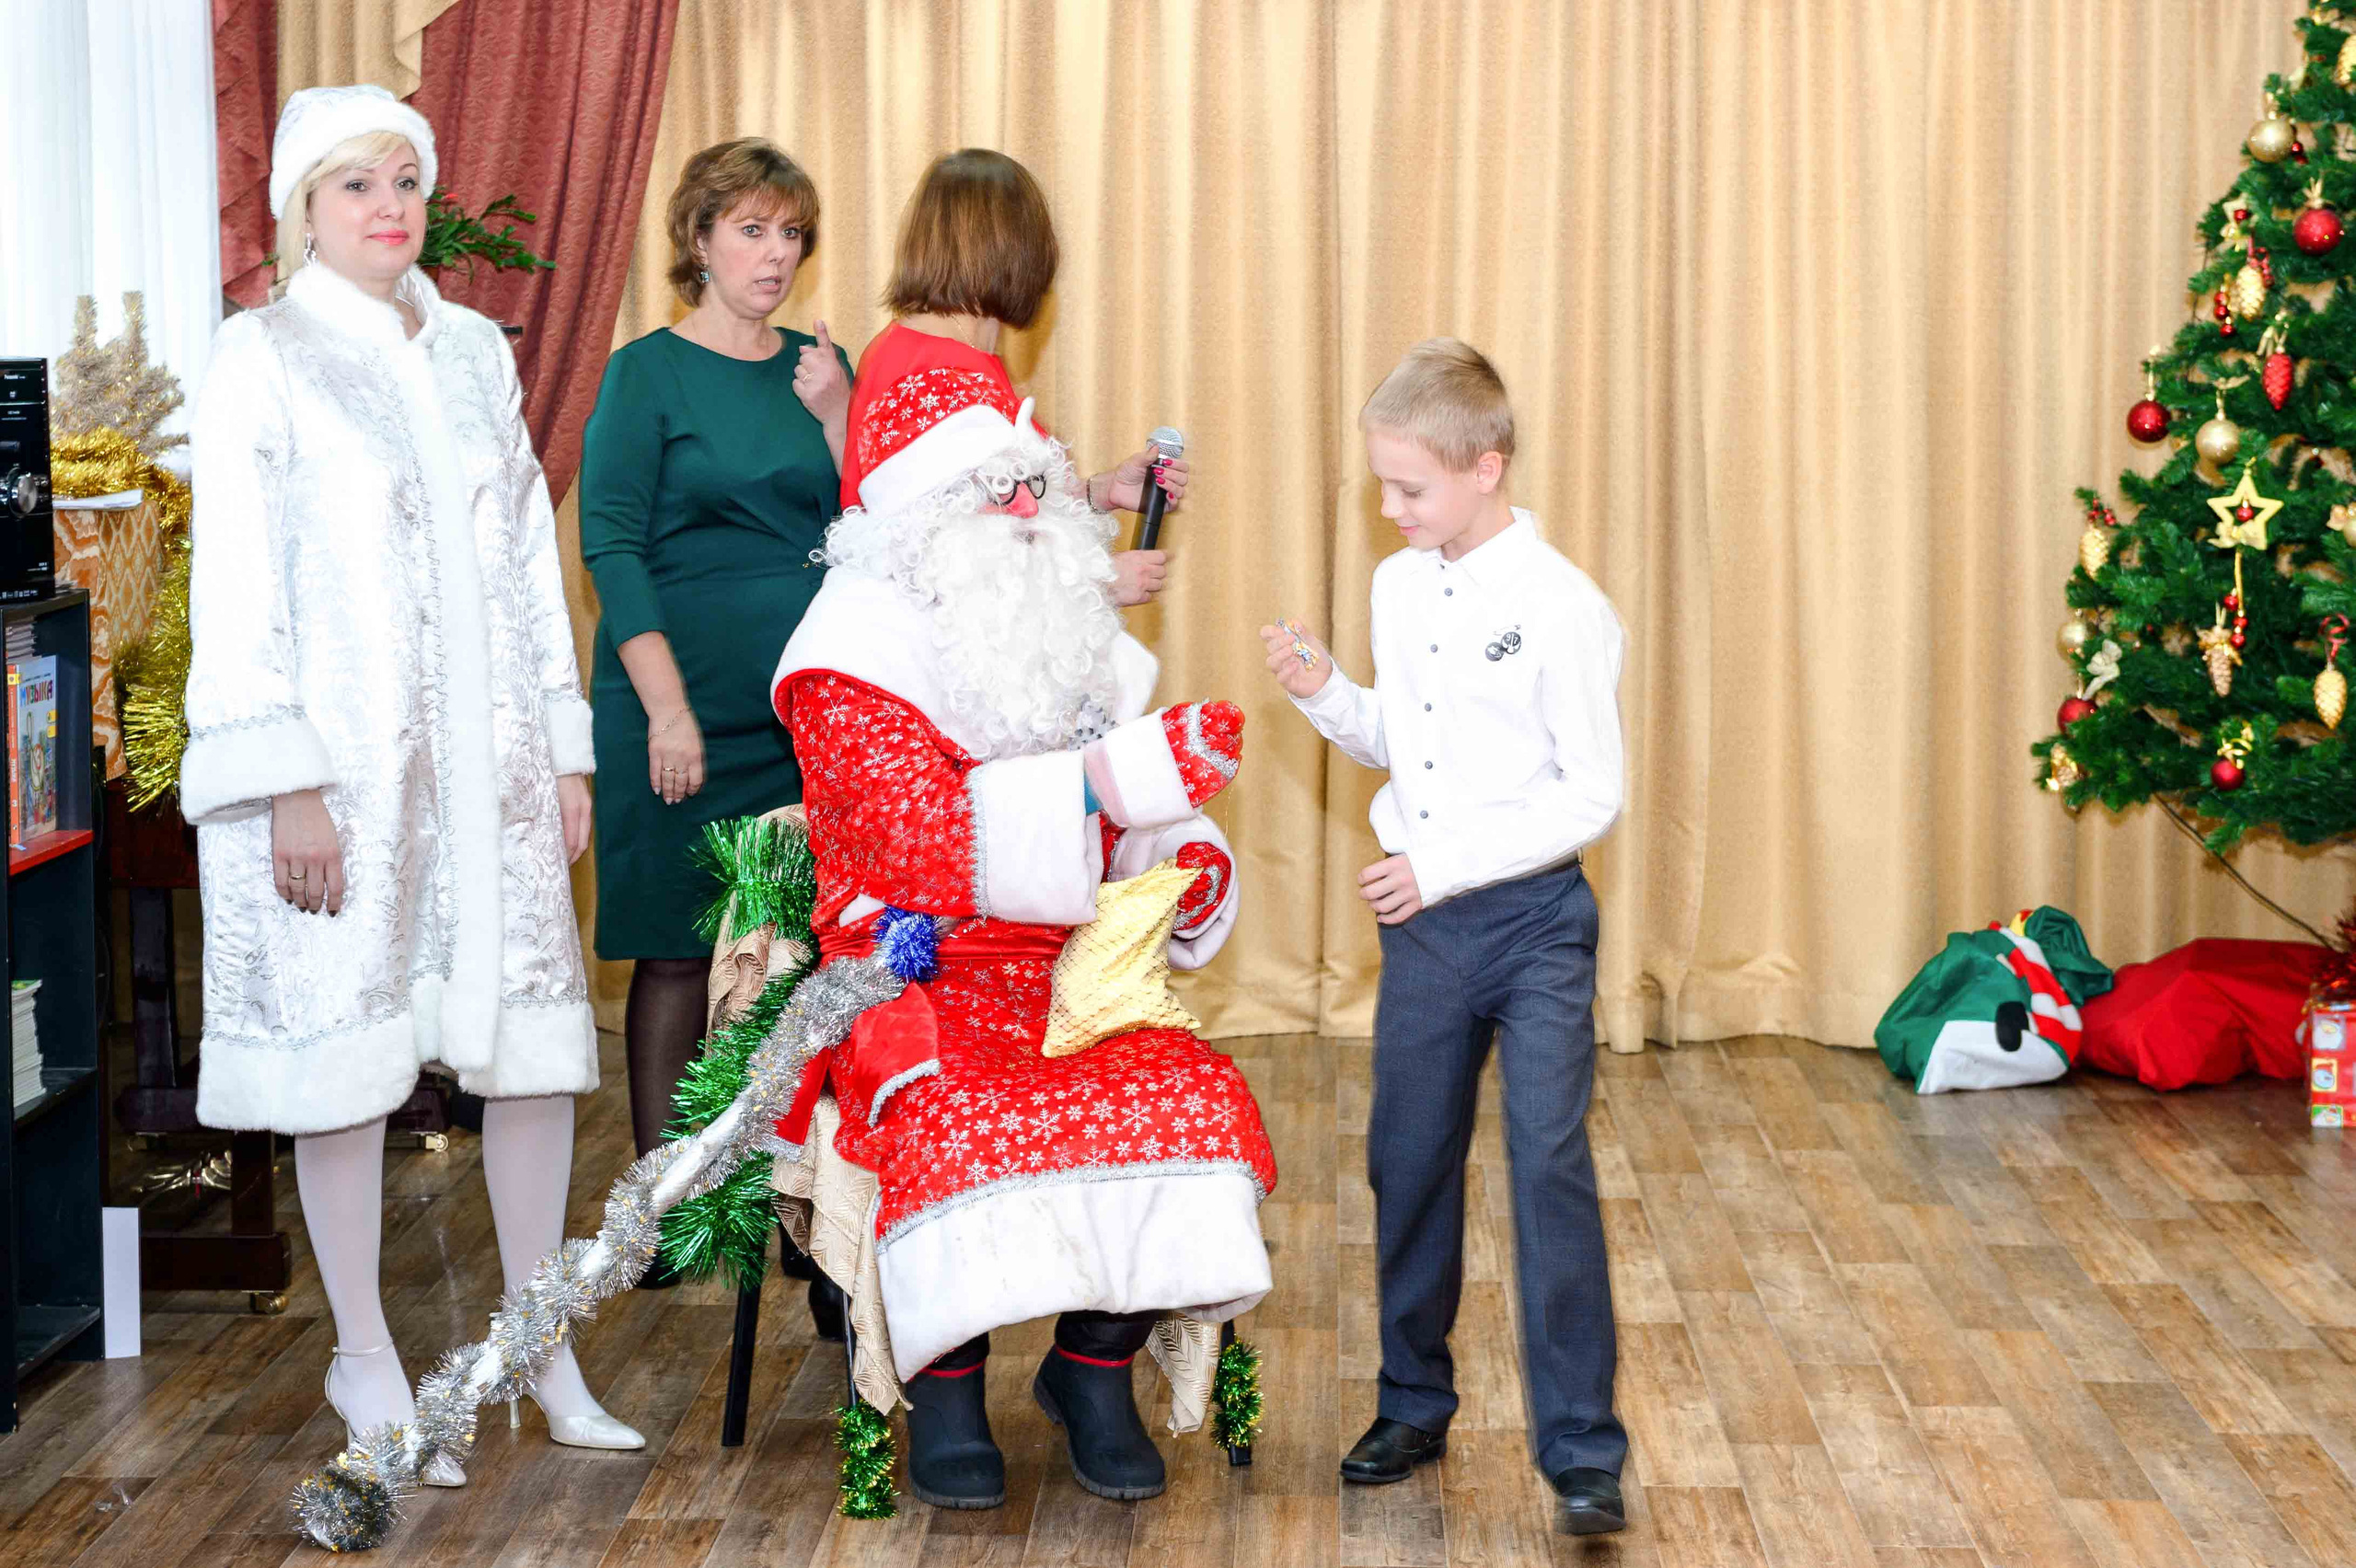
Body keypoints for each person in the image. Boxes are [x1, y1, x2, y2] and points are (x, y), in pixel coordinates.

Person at [182, 85, 642, 1480]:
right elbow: (239, 583)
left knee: (530, 1055)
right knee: (346, 1063)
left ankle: (536, 1341)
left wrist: (561, 746)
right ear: (304, 213)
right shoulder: (259, 356)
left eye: (403, 183)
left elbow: (521, 565)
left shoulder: (473, 357)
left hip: (488, 766)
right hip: (347, 776)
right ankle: (365, 1361)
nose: (388, 210)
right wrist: (287, 784)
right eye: (353, 189)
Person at [770, 370, 1273, 1510]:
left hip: (1066, 965)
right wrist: (1106, 787)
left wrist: (1182, 868)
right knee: (951, 1113)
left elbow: (1138, 808)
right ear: (920, 515)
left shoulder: (1058, 626)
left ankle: (1091, 1369)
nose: (1027, 516)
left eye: (1035, 488)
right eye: (994, 494)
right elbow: (916, 845)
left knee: (1190, 1099)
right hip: (912, 960)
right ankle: (945, 1385)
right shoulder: (846, 653)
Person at [1262, 339, 1629, 1535]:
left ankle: (1583, 1451)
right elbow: (1397, 744)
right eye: (1381, 485)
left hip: (1532, 931)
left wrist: (1442, 866)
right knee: (1406, 1164)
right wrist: (1325, 691)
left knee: (1546, 1167)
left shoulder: (1562, 606)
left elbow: (1592, 795)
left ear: (1488, 467)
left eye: (1410, 488)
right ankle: (1413, 1403)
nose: (1389, 509)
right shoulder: (1402, 584)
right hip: (1426, 934)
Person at [578, 139, 854, 1301]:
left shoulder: (818, 366)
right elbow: (612, 546)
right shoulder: (645, 373)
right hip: (672, 707)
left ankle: (793, 1201)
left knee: (794, 950)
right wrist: (668, 713)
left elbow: (869, 518)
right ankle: (660, 1214)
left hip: (798, 705)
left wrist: (840, 416)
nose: (773, 255)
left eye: (789, 233)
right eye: (749, 230)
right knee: (679, 947)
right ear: (697, 241)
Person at [840, 147, 1183, 608]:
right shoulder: (932, 374)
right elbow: (944, 566)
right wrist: (1093, 583)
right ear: (1016, 248)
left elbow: (999, 508)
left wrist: (1099, 491)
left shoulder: (956, 356)